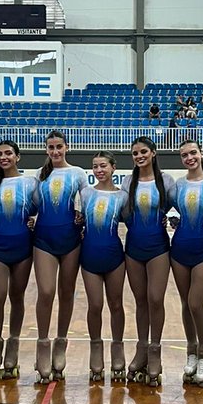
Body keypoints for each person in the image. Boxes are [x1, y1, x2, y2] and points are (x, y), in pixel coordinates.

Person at [31, 130, 88, 382]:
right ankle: (43, 344)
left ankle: (61, 343)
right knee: (45, 292)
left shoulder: (77, 174)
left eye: (59, 147)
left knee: (67, 292)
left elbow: (88, 202)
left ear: (67, 147)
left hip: (71, 240)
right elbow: (30, 205)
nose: (55, 151)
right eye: (51, 147)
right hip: (43, 240)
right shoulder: (38, 176)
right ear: (46, 150)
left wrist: (82, 216)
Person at [169, 139, 203, 385]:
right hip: (179, 250)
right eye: (184, 155)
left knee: (195, 303)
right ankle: (191, 351)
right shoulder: (178, 185)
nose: (189, 158)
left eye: (193, 153)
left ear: (202, 154)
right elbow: (159, 208)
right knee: (184, 303)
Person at [122, 136, 174, 386]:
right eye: (135, 153)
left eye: (143, 151)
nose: (139, 156)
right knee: (140, 301)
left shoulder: (166, 181)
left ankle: (155, 350)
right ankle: (141, 349)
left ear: (153, 153)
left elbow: (181, 208)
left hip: (159, 249)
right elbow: (121, 213)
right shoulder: (127, 181)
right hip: (133, 249)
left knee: (155, 299)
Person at [0, 140, 36, 380]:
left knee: (17, 296)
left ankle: (13, 342)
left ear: (18, 156)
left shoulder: (29, 182)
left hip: (23, 247)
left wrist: (33, 221)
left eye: (8, 153)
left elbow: (37, 209)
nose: (3, 157)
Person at [80, 153, 127, 382]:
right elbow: (77, 219)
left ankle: (117, 349)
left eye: (103, 166)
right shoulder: (86, 193)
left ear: (113, 168)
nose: (99, 170)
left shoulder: (122, 196)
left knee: (116, 304)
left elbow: (134, 220)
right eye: (95, 166)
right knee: (95, 305)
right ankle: (95, 348)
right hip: (89, 255)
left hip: (114, 256)